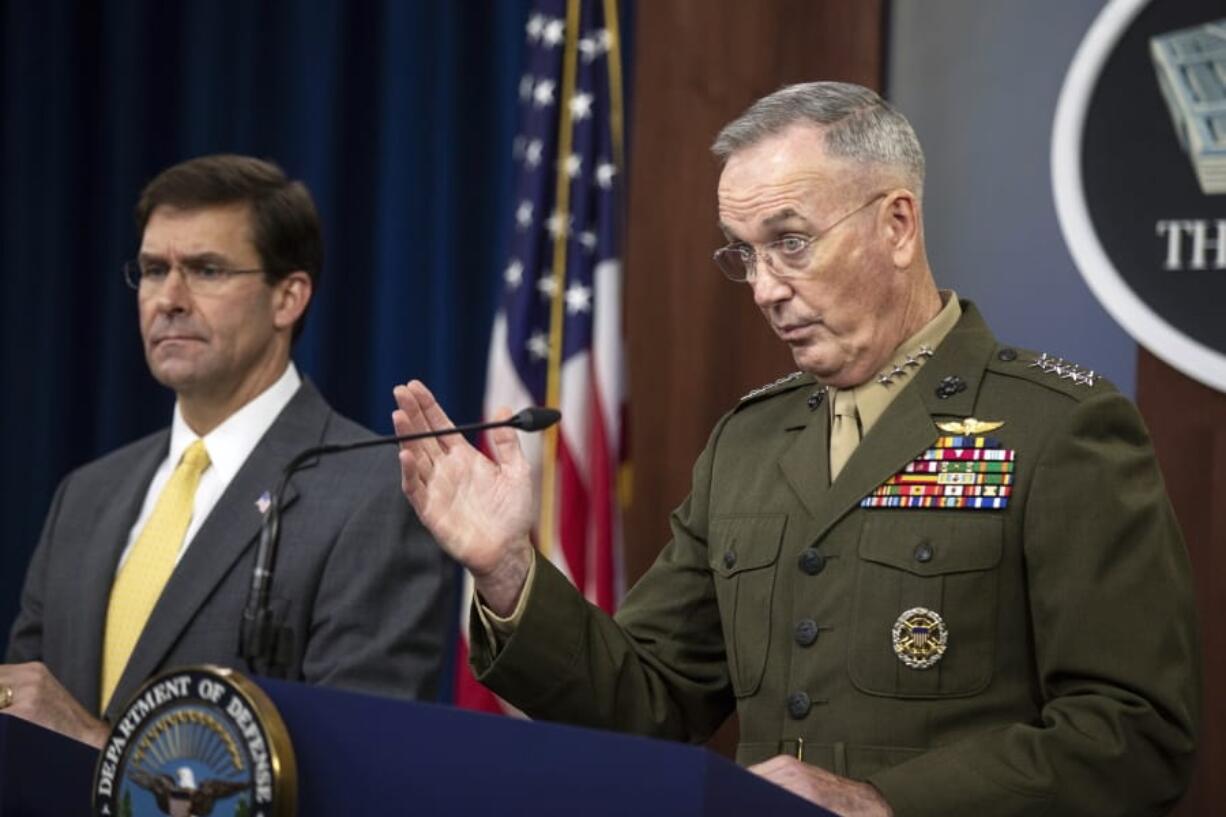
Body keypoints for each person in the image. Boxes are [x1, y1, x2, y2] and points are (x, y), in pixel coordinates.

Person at [391, 82, 1199, 817]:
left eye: (791, 241)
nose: (765, 287)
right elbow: (646, 699)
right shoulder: (748, 442)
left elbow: (1133, 732)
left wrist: (883, 802)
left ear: (897, 224)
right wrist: (507, 570)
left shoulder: (1057, 425)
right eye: (744, 252)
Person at [1, 154, 453, 747]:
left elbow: (359, 769)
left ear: (287, 298)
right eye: (154, 269)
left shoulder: (373, 494)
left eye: (206, 270)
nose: (169, 297)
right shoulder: (84, 495)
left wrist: (95, 746)